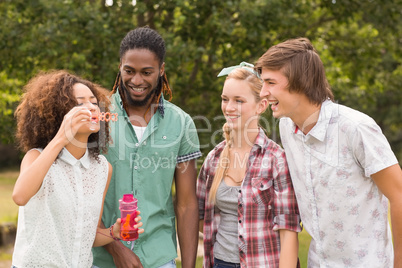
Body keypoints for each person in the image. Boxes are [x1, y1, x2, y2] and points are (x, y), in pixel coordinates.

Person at [255, 37, 402, 267]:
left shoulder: (355, 128)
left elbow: (399, 195)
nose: (263, 92)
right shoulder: (286, 127)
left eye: (270, 83)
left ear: (300, 82)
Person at [92, 26, 202, 268]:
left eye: (147, 72)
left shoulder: (181, 123)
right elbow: (81, 193)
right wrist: (114, 247)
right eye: (129, 71)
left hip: (158, 257)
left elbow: (186, 204)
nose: (137, 81)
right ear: (119, 66)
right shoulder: (97, 116)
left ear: (161, 70)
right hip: (100, 260)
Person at [11, 70, 143, 267]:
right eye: (80, 103)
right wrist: (62, 136)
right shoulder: (36, 157)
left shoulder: (101, 169)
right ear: (58, 114)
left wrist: (112, 233)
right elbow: (20, 196)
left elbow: (87, 234)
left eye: (93, 102)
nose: (91, 108)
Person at [197, 62, 301, 268]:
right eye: (225, 99)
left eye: (239, 100)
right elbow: (201, 218)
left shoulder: (276, 160)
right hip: (220, 263)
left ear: (261, 105)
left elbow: (289, 232)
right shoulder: (214, 159)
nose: (229, 107)